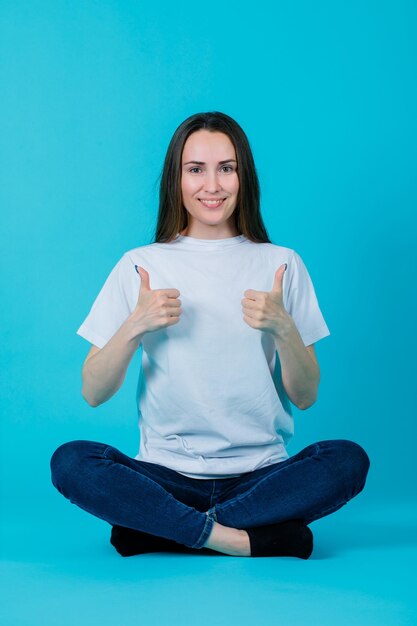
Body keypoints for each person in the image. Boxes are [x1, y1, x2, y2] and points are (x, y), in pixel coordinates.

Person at [50, 111, 370, 559]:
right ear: (176, 180)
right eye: (195, 169)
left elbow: (306, 396)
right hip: (166, 475)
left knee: (347, 459)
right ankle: (238, 539)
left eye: (226, 168)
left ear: (244, 176)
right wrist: (134, 325)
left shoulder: (282, 264)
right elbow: (93, 392)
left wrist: (283, 328)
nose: (212, 186)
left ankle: (158, 528)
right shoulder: (139, 265)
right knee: (71, 461)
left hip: (261, 475)